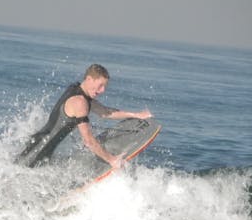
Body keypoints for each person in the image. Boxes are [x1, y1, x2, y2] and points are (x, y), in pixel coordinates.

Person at [16, 64, 152, 168]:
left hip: (37, 147)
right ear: (89, 79)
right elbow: (88, 141)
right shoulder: (80, 103)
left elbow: (105, 112)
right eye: (100, 85)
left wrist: (136, 115)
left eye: (105, 86)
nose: (103, 90)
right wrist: (112, 160)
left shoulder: (77, 91)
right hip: (37, 155)